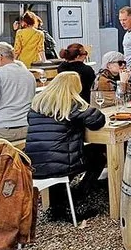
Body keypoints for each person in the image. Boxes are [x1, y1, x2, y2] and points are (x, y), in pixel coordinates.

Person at [25, 71, 106, 220]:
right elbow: (97, 121)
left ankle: (58, 206)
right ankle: (79, 195)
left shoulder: (37, 105)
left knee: (59, 156)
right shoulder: (72, 105)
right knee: (98, 156)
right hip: (63, 165)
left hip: (35, 163)